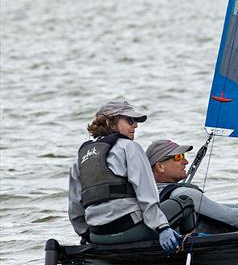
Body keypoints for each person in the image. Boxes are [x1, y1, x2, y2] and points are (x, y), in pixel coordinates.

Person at [68, 100, 181, 252]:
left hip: (98, 236)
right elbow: (147, 195)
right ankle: (186, 244)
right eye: (130, 120)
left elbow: (75, 209)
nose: (135, 125)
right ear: (111, 122)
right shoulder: (130, 147)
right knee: (185, 202)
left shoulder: (80, 158)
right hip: (130, 231)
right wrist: (162, 228)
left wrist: (86, 235)